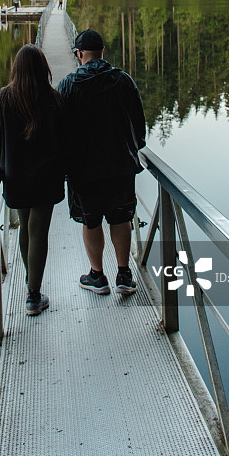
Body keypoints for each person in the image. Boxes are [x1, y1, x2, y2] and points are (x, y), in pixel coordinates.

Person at [57, 30, 146, 295]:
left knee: (91, 221)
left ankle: (97, 276)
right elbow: (138, 124)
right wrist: (135, 146)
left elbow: (60, 130)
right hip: (120, 166)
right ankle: (124, 274)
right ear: (103, 52)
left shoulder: (68, 85)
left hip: (83, 170)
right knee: (121, 219)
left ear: (79, 54)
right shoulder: (123, 81)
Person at [0, 44, 65, 315]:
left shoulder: (3, 98)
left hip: (15, 177)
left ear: (16, 69)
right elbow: (65, 140)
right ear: (43, 68)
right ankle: (33, 294)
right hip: (46, 178)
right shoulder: (54, 98)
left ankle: (32, 288)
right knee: (38, 230)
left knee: (24, 227)